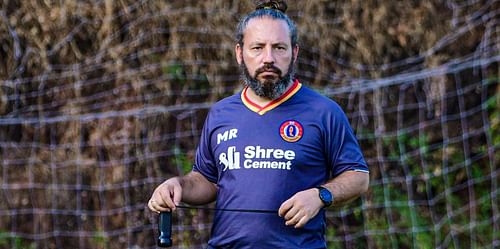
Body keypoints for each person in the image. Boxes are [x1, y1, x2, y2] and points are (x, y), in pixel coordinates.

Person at [148, 1, 369, 248]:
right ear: (240, 53)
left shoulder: (324, 112)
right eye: (257, 47)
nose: (268, 58)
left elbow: (358, 177)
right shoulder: (221, 113)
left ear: (294, 53)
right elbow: (207, 181)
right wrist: (176, 185)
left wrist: (320, 196)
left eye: (279, 48)